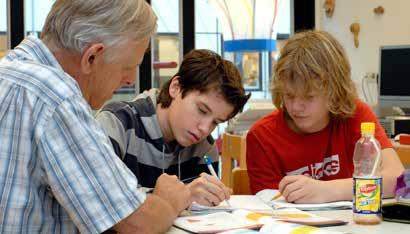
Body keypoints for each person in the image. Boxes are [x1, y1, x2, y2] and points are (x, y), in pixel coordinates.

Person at [0, 0, 192, 233]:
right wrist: (169, 201)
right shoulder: (57, 96)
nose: (130, 79)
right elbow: (139, 224)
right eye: (127, 66)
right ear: (92, 57)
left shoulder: (10, 70)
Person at [246, 30, 405, 204]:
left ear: (334, 91)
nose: (295, 107)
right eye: (289, 95)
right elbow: (267, 208)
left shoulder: (355, 114)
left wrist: (328, 190)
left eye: (309, 96)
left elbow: (397, 180)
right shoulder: (262, 136)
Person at [96, 49, 250, 206]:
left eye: (216, 122)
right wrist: (184, 196)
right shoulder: (117, 124)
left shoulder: (204, 147)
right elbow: (102, 201)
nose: (205, 128)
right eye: (202, 110)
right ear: (176, 87)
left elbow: (197, 213)